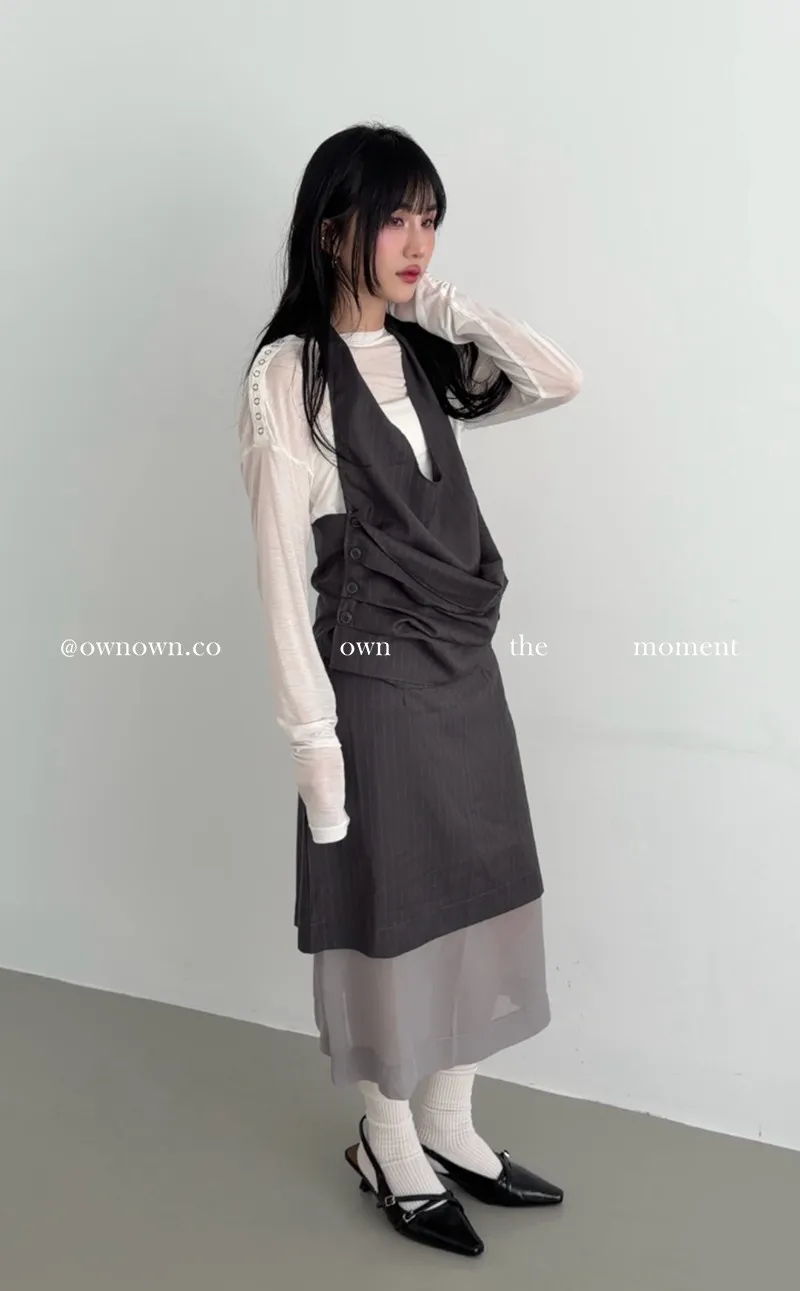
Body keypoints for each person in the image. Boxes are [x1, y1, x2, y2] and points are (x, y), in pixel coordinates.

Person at [238, 121, 583, 1257]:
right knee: (393, 912)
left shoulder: (426, 354)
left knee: (476, 890)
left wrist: (441, 307)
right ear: (332, 224)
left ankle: (449, 1123)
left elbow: (557, 379)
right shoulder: (289, 377)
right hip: (374, 682)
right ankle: (387, 1139)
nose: (417, 240)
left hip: (462, 667)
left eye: (429, 218)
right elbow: (278, 578)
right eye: (395, 217)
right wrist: (314, 748)